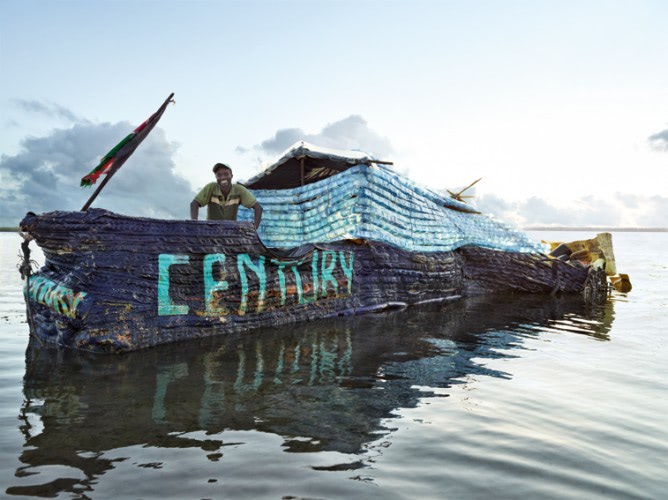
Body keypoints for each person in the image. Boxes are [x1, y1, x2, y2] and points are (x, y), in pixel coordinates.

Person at [190, 163, 263, 229]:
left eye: (226, 174)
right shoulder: (211, 187)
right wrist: (194, 225)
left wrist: (254, 229)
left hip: (230, 231)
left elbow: (258, 208)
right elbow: (194, 204)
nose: (222, 178)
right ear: (216, 177)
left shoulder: (238, 190)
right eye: (219, 175)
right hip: (211, 230)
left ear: (231, 176)